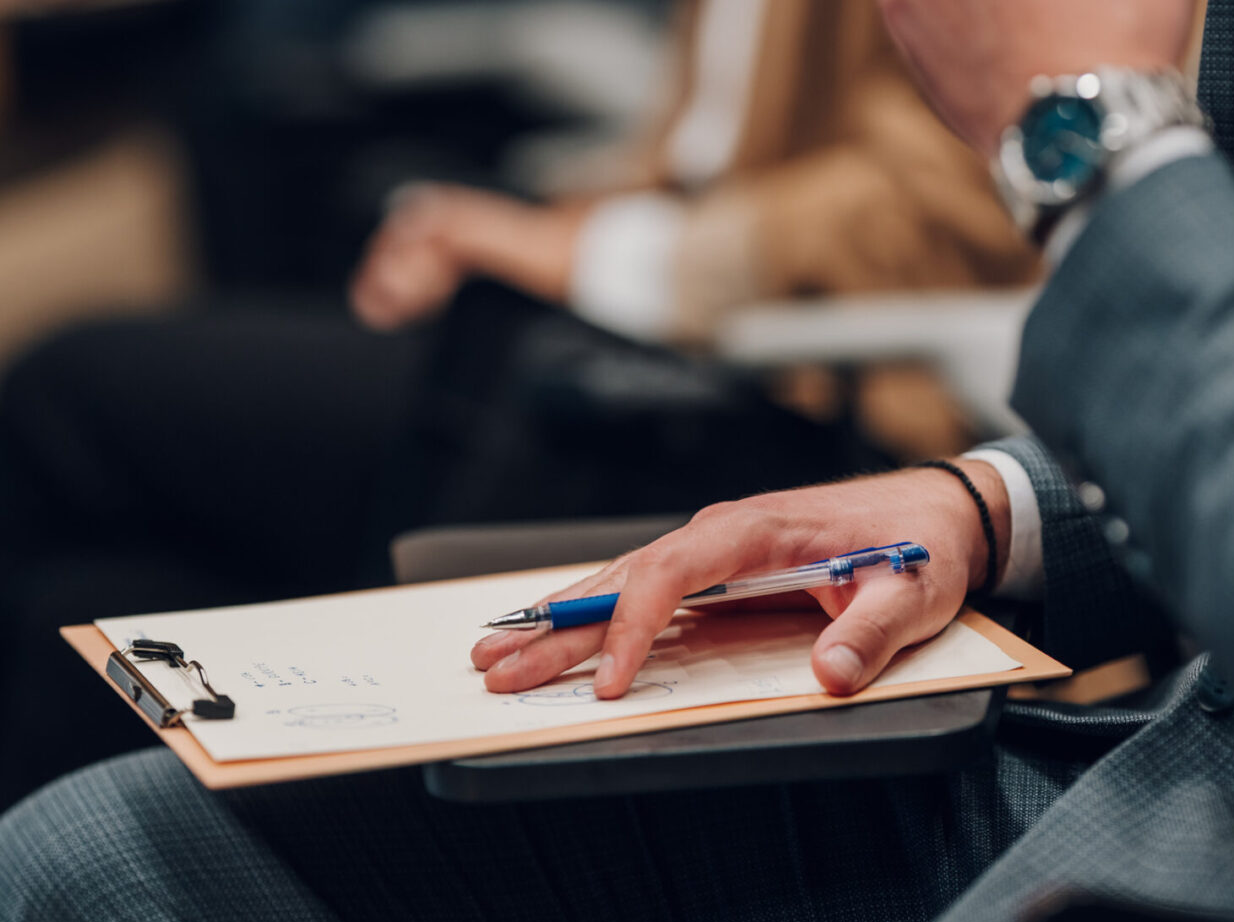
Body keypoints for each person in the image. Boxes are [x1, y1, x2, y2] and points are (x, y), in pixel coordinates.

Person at [4, 0, 1234, 922]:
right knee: (73, 882)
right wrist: (996, 510)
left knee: (86, 409)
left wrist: (1081, 140)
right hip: (1184, 767)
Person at [0, 0, 1036, 811]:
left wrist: (592, 254)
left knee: (67, 398)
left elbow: (961, 195)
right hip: (629, 337)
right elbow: (700, 154)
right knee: (84, 607)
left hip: (798, 409)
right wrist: (530, 228)